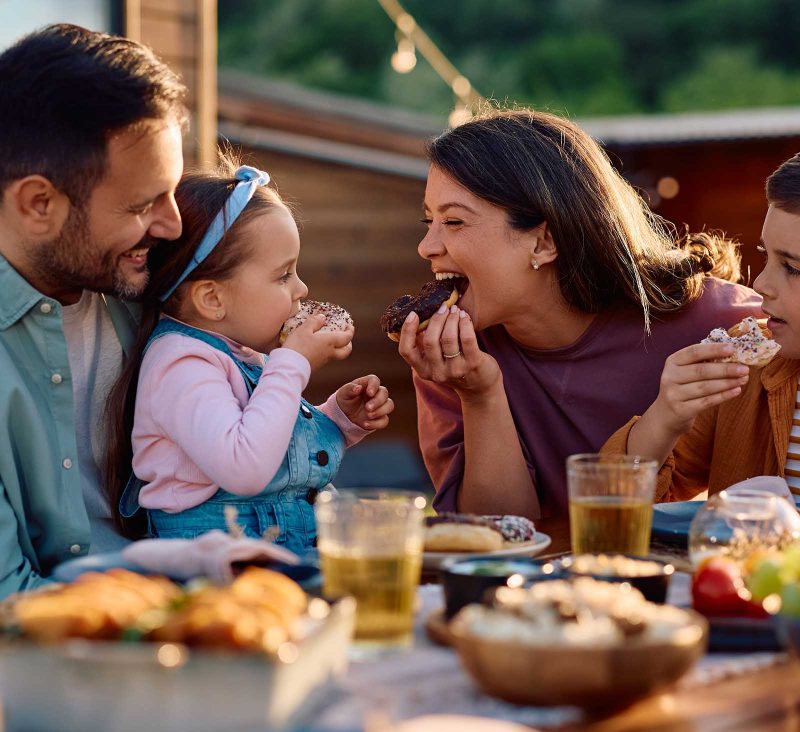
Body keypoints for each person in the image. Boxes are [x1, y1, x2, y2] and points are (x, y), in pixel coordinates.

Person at [396, 108, 761, 542]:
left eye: (453, 221)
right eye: (428, 220)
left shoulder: (722, 323)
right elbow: (496, 540)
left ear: (544, 241)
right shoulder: (452, 355)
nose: (427, 246)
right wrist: (479, 395)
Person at [105, 157, 395, 554]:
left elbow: (269, 443)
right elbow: (245, 468)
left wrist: (337, 419)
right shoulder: (181, 365)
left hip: (280, 560)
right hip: (217, 578)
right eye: (283, 275)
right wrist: (294, 363)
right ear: (212, 298)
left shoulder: (239, 355)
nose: (302, 289)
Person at [0, 24, 186, 597]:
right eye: (141, 205)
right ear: (38, 204)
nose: (172, 224)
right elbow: (9, 603)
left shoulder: (155, 292)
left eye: (173, 191)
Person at [602, 154, 800, 501]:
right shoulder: (746, 369)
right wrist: (665, 417)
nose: (763, 284)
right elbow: (615, 504)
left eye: (793, 268)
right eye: (766, 256)